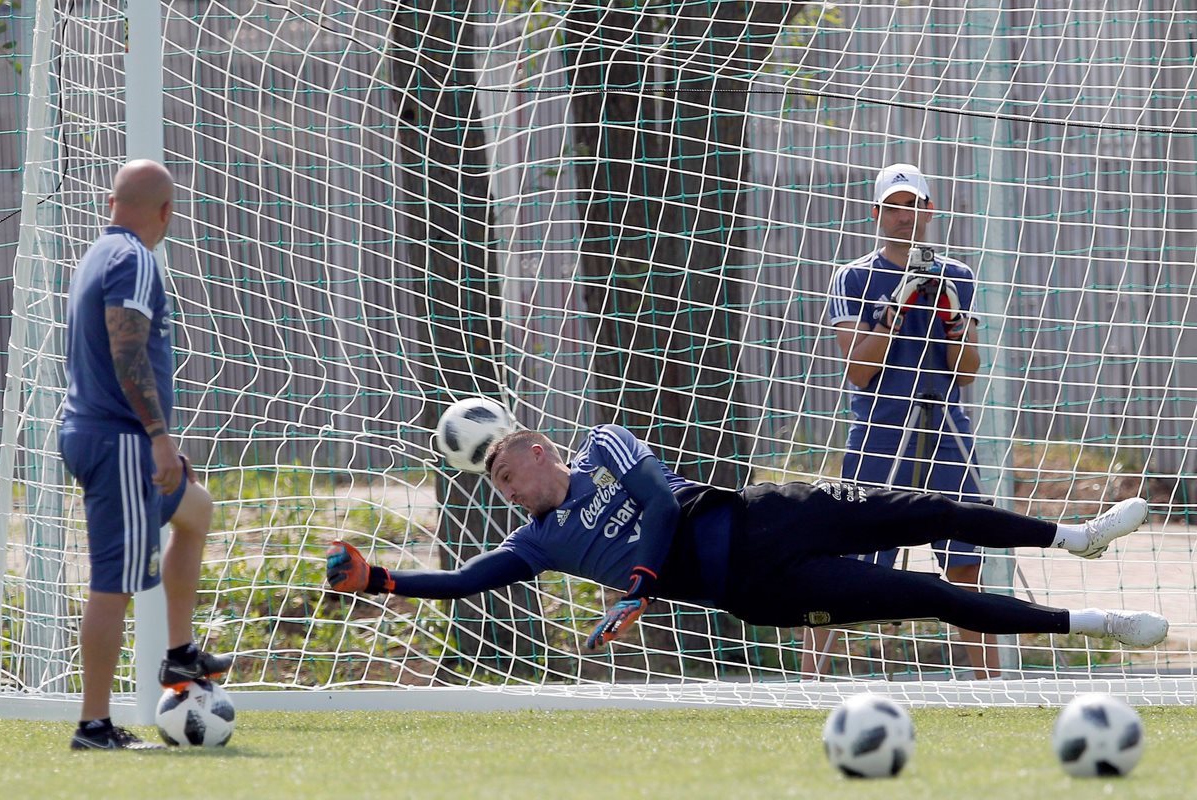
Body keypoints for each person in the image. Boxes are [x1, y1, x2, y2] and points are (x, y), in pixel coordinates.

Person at [326, 424, 1167, 658]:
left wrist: (639, 583)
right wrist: (381, 581)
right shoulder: (539, 544)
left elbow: (661, 506)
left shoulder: (607, 445)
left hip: (771, 514)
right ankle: (1096, 623)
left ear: (539, 449)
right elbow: (467, 579)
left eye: (509, 471)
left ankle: (1077, 534)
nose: (508, 490)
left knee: (929, 509)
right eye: (497, 485)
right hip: (759, 590)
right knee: (930, 596)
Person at [60, 160, 231, 751]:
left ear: (111, 203)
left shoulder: (98, 253)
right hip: (121, 441)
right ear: (166, 211)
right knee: (113, 585)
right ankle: (94, 726)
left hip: (103, 435)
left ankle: (181, 655)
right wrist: (159, 436)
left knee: (196, 509)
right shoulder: (133, 258)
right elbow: (126, 346)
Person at [814, 162, 996, 678]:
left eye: (913, 205)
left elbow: (966, 373)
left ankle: (992, 687)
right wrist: (893, 313)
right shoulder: (853, 276)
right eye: (892, 207)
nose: (903, 217)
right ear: (876, 213)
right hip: (881, 432)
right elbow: (858, 370)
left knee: (966, 563)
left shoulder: (957, 275)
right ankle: (810, 683)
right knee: (847, 559)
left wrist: (954, 325)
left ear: (930, 210)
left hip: (944, 429)